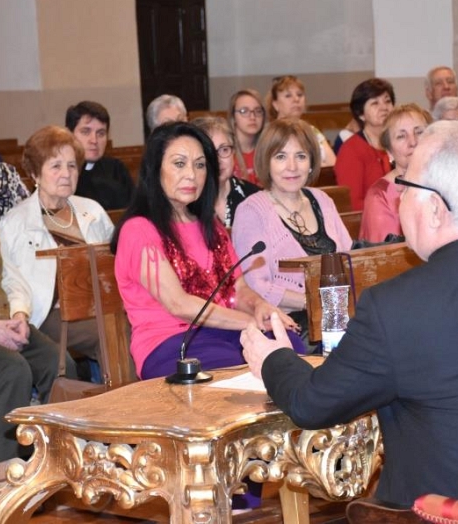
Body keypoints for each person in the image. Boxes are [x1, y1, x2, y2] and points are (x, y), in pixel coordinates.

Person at [241, 120, 458, 524]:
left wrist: (274, 359)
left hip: (449, 515)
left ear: (434, 207)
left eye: (406, 185)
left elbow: (313, 404)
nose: (398, 196)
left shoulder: (394, 306)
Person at [111, 122, 303, 381]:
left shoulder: (210, 225)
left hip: (228, 333)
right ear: (155, 170)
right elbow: (180, 304)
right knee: (242, 372)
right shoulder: (139, 230)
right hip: (174, 344)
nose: (191, 174)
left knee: (291, 348)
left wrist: (260, 307)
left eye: (200, 165)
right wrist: (249, 322)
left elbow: (239, 288)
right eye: (179, 163)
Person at [0, 203, 76, 481]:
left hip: (1, 321)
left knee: (59, 363)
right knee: (11, 369)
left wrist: (19, 313)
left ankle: (60, 461)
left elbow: (10, 276)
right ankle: (10, 476)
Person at [0, 126, 114, 368]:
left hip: (100, 305)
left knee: (130, 326)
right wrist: (19, 313)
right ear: (35, 174)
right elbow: (12, 279)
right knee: (109, 334)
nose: (66, 174)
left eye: (72, 166)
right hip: (52, 313)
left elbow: (115, 259)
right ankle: (120, 401)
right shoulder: (16, 222)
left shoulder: (91, 210)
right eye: (56, 166)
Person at [232, 118, 352, 349]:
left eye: (300, 156)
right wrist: (317, 302)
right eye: (280, 157)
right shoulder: (252, 211)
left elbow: (350, 261)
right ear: (266, 162)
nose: (292, 167)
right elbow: (256, 285)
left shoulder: (323, 201)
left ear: (311, 162)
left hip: (338, 316)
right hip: (288, 323)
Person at [359, 104, 431, 243]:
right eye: (401, 136)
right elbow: (388, 256)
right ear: (389, 152)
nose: (413, 142)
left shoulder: (446, 181)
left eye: (419, 132)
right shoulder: (379, 196)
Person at [335, 78, 394, 210]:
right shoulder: (351, 150)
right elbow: (352, 203)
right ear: (361, 114)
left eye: (387, 101)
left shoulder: (399, 143)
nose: (384, 107)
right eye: (375, 103)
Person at [65, 100, 135, 210]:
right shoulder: (59, 173)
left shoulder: (116, 170)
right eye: (86, 132)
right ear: (69, 134)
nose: (94, 140)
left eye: (101, 133)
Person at [192, 116, 259, 228]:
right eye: (209, 152)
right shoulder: (185, 203)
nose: (218, 160)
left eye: (224, 150)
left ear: (234, 152)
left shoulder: (254, 197)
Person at [267, 75, 336, 167]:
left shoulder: (312, 130)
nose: (296, 99)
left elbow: (333, 164)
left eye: (300, 95)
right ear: (275, 104)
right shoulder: (271, 133)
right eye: (288, 96)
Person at [228, 89, 266, 185]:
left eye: (258, 111)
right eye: (244, 111)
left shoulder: (268, 149)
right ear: (233, 117)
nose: (252, 117)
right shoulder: (226, 152)